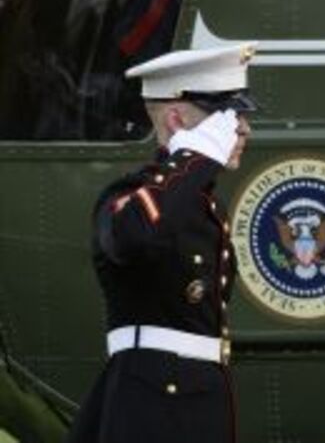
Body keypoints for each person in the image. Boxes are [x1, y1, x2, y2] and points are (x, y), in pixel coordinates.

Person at [65, 42, 257, 443]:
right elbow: (134, 237)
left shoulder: (202, 205)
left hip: (201, 399)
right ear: (176, 121)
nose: (242, 130)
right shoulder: (130, 196)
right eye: (228, 117)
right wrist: (194, 158)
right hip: (153, 405)